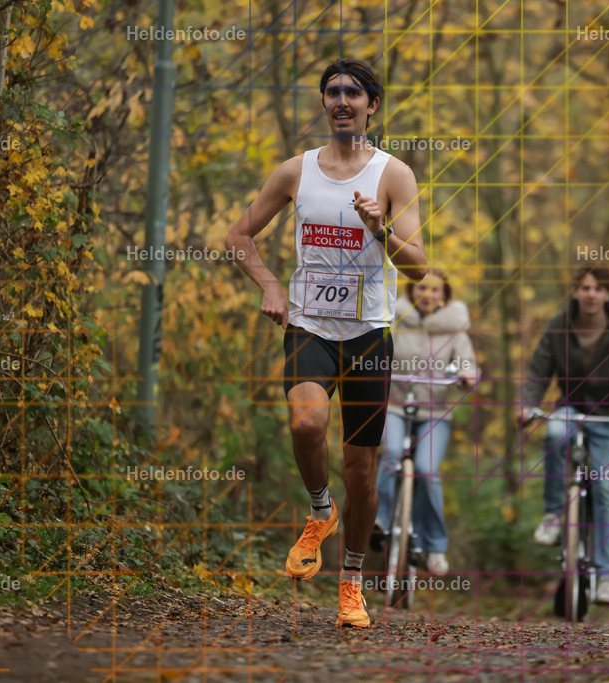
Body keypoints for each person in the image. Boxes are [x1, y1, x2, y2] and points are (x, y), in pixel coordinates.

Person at [224, 58, 428, 628]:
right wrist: (269, 285)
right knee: (306, 424)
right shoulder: (297, 171)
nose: (342, 101)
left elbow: (417, 268)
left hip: (368, 335)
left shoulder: (394, 176)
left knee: (362, 471)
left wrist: (378, 228)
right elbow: (239, 237)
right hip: (310, 325)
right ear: (323, 103)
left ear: (372, 105)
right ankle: (320, 512)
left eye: (354, 93)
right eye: (332, 92)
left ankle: (352, 583)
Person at [520, 265, 609, 605]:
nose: (591, 294)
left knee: (606, 489)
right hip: (571, 408)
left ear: (607, 294)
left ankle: (606, 578)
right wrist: (529, 405)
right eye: (585, 288)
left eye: (598, 289)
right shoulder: (559, 324)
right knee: (555, 433)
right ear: (575, 291)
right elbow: (539, 369)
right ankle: (552, 515)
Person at [372, 268, 478, 575]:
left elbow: (466, 362)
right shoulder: (394, 319)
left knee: (427, 471)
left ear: (445, 295)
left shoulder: (455, 330)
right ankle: (379, 520)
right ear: (410, 292)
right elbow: (377, 349)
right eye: (421, 289)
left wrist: (467, 375)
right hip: (394, 405)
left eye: (435, 290)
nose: (427, 295)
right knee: (391, 456)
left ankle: (434, 547)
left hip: (434, 413)